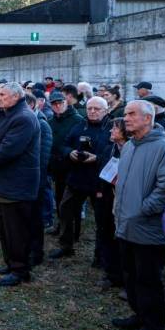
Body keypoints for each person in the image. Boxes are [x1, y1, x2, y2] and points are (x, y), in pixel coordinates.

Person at [111, 100, 165, 330]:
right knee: (131, 275)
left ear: (148, 118)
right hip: (125, 223)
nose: (126, 118)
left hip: (147, 227)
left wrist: (143, 210)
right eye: (125, 114)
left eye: (132, 114)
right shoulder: (128, 147)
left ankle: (154, 329)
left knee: (148, 280)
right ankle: (139, 315)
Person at [0, 82, 40, 287]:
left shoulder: (23, 118)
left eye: (3, 94)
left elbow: (8, 149)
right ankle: (11, 263)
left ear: (16, 96)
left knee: (17, 230)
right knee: (5, 227)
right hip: (3, 182)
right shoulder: (7, 114)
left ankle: (20, 269)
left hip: (16, 184)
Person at [50, 97, 111, 260]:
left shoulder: (112, 128)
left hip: (100, 181)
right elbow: (64, 145)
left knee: (102, 219)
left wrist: (97, 158)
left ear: (106, 110)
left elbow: (117, 154)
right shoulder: (80, 125)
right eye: (90, 108)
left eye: (97, 109)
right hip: (77, 177)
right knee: (65, 210)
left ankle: (101, 255)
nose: (92, 111)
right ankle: (66, 246)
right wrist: (69, 153)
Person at [95, 117, 128, 289]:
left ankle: (126, 279)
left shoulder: (132, 151)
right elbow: (101, 171)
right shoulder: (109, 149)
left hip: (124, 201)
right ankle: (112, 273)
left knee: (122, 240)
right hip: (107, 199)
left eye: (115, 128)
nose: (110, 131)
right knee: (106, 234)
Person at [46, 91, 84, 236]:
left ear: (66, 102)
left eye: (60, 103)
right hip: (56, 166)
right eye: (54, 104)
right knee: (60, 198)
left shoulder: (78, 119)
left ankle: (74, 231)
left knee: (72, 202)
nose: (58, 106)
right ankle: (61, 226)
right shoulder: (51, 121)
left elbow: (80, 144)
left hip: (72, 165)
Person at [25, 92, 53, 266]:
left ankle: (36, 253)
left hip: (36, 180)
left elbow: (42, 158)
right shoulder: (29, 122)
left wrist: (35, 180)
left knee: (35, 218)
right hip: (27, 179)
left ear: (32, 106)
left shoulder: (42, 125)